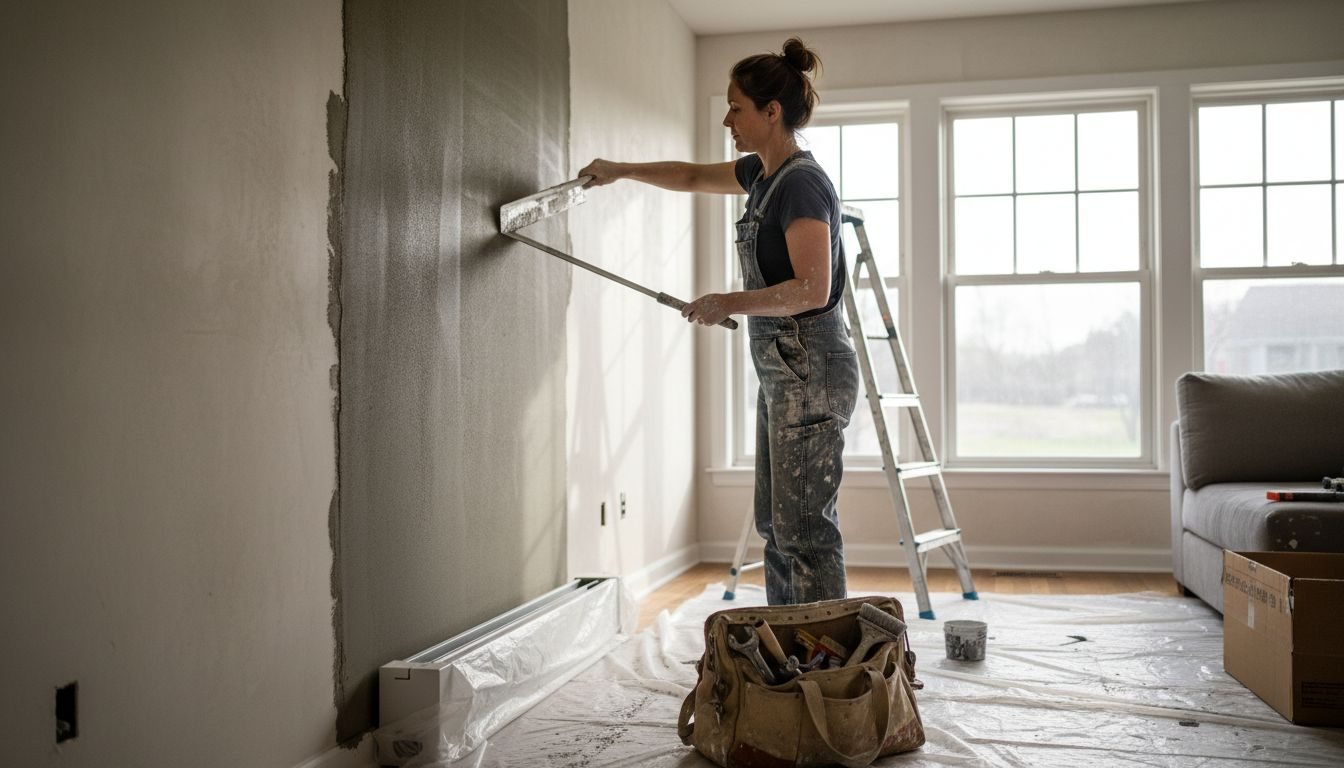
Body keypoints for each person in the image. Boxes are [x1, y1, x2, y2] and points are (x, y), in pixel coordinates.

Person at [579, 38, 859, 606]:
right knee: (777, 528)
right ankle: (792, 648)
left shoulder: (802, 182)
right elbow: (688, 177)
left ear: (770, 111)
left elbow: (813, 288)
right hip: (785, 373)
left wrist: (725, 301)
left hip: (812, 374)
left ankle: (825, 665)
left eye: (736, 107)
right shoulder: (762, 174)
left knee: (805, 533)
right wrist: (621, 171)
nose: (726, 118)